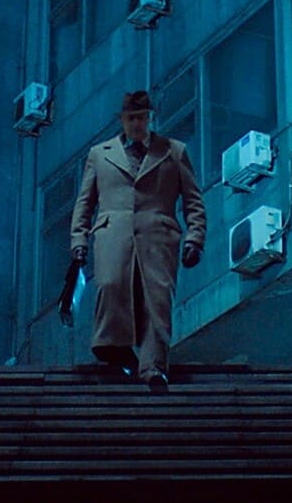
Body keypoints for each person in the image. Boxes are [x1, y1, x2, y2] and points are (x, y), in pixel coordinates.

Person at [69, 89, 207, 391]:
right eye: (131, 118)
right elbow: (85, 202)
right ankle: (111, 345)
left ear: (150, 118)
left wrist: (195, 237)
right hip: (113, 234)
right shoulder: (100, 154)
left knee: (156, 300)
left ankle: (154, 367)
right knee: (111, 285)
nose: (136, 123)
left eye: (141, 117)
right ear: (122, 120)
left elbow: (193, 200)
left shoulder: (173, 151)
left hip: (159, 235)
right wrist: (78, 240)